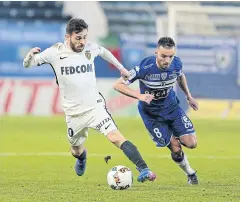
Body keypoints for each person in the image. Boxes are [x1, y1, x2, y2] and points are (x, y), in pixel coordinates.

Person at [23, 18, 156, 183]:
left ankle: (144, 169)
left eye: (85, 37)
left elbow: (104, 52)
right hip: (73, 113)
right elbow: (28, 64)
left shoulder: (90, 47)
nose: (82, 42)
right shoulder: (54, 52)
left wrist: (121, 68)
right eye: (78, 38)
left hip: (95, 107)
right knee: (75, 149)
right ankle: (82, 158)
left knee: (115, 137)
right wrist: (29, 56)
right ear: (68, 37)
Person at [113, 37, 199, 185]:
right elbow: (118, 85)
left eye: (170, 56)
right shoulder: (145, 67)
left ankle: (176, 136)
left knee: (191, 143)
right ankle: (190, 172)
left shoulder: (176, 63)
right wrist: (139, 95)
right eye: (163, 56)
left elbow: (180, 76)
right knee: (176, 149)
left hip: (172, 109)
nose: (167, 60)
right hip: (152, 116)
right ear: (156, 53)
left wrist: (189, 96)